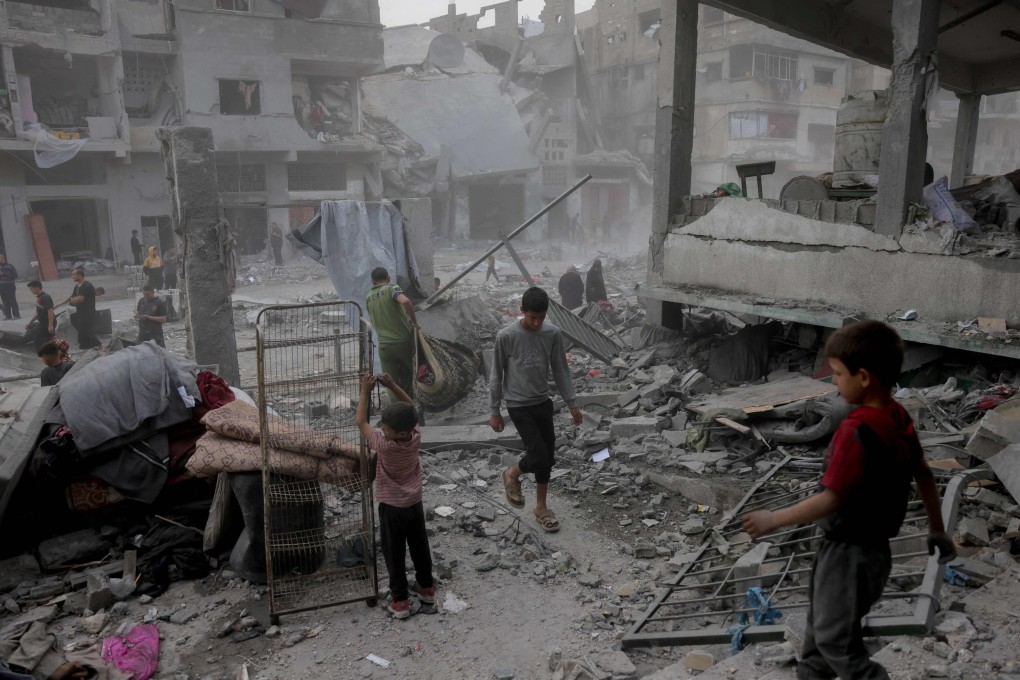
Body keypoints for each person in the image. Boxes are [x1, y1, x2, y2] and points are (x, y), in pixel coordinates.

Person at [742, 321, 955, 680]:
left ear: (864, 377)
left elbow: (830, 500)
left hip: (848, 555)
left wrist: (773, 519)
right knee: (818, 637)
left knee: (835, 642)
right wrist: (937, 529)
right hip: (871, 554)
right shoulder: (897, 416)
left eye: (839, 374)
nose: (834, 382)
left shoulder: (856, 431)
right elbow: (924, 474)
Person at [489, 287, 582, 533]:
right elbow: (496, 374)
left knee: (548, 458)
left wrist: (572, 404)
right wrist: (494, 409)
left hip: (542, 402)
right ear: (522, 312)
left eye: (541, 317)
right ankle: (512, 473)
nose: (537, 322)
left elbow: (561, 370)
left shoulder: (552, 334)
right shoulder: (506, 336)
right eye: (532, 317)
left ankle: (541, 508)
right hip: (518, 405)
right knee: (538, 454)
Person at [356, 373, 435, 619]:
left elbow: (360, 422)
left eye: (386, 428)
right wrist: (392, 384)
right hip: (414, 503)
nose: (382, 430)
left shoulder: (384, 445)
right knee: (420, 547)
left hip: (391, 508)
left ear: (399, 433)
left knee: (395, 554)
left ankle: (400, 601)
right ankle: (427, 588)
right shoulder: (415, 436)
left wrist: (365, 391)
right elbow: (410, 406)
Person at [365, 267, 419, 400]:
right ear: (389, 279)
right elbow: (405, 301)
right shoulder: (391, 288)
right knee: (417, 374)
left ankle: (397, 412)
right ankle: (418, 407)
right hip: (402, 342)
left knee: (391, 383)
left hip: (384, 346)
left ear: (372, 282)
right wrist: (414, 322)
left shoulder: (368, 297)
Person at [67, 267, 99, 350]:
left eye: (73, 274)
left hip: (88, 313)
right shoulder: (76, 286)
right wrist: (73, 300)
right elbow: (72, 298)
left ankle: (100, 345)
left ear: (80, 275)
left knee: (87, 332)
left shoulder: (86, 285)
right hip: (80, 312)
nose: (72, 276)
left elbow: (80, 299)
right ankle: (86, 347)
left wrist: (73, 300)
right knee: (82, 332)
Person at [25, 280, 55, 349]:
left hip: (47, 323)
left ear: (37, 288)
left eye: (31, 288)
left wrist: (50, 325)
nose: (30, 290)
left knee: (38, 341)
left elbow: (50, 311)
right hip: (43, 323)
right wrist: (30, 323)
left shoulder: (45, 297)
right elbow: (38, 313)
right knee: (49, 340)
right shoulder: (39, 297)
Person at [0, 253, 18, 320]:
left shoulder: (10, 266)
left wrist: (4, 273)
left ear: (2, 258)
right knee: (5, 302)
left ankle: (16, 315)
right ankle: (8, 316)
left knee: (12, 301)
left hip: (10, 286)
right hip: (1, 287)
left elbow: (15, 275)